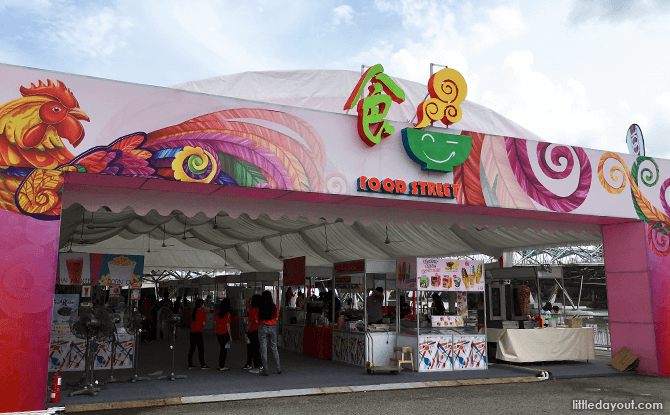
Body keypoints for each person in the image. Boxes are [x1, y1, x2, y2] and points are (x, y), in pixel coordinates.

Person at [254, 290, 281, 376]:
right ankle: (278, 368)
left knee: (263, 349)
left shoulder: (260, 307)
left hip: (262, 327)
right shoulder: (274, 307)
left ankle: (265, 370)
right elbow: (277, 317)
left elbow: (256, 319)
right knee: (274, 348)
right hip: (273, 327)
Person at [188, 298, 209, 369]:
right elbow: (203, 324)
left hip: (192, 332)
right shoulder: (202, 313)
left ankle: (190, 364)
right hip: (199, 332)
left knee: (192, 349)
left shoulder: (193, 312)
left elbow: (191, 322)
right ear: (201, 305)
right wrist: (207, 322)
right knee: (201, 349)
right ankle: (203, 364)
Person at [244, 294, 262, 370]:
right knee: (257, 348)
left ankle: (256, 365)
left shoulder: (253, 310)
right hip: (260, 331)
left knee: (252, 349)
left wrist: (246, 332)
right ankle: (255, 364)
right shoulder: (261, 310)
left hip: (252, 332)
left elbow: (249, 323)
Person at [215, 298, 233, 371]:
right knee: (224, 350)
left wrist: (216, 334)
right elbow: (228, 326)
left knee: (222, 349)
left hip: (218, 333)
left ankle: (220, 365)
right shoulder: (227, 314)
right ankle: (221, 366)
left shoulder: (217, 312)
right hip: (225, 333)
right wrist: (230, 336)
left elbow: (215, 324)